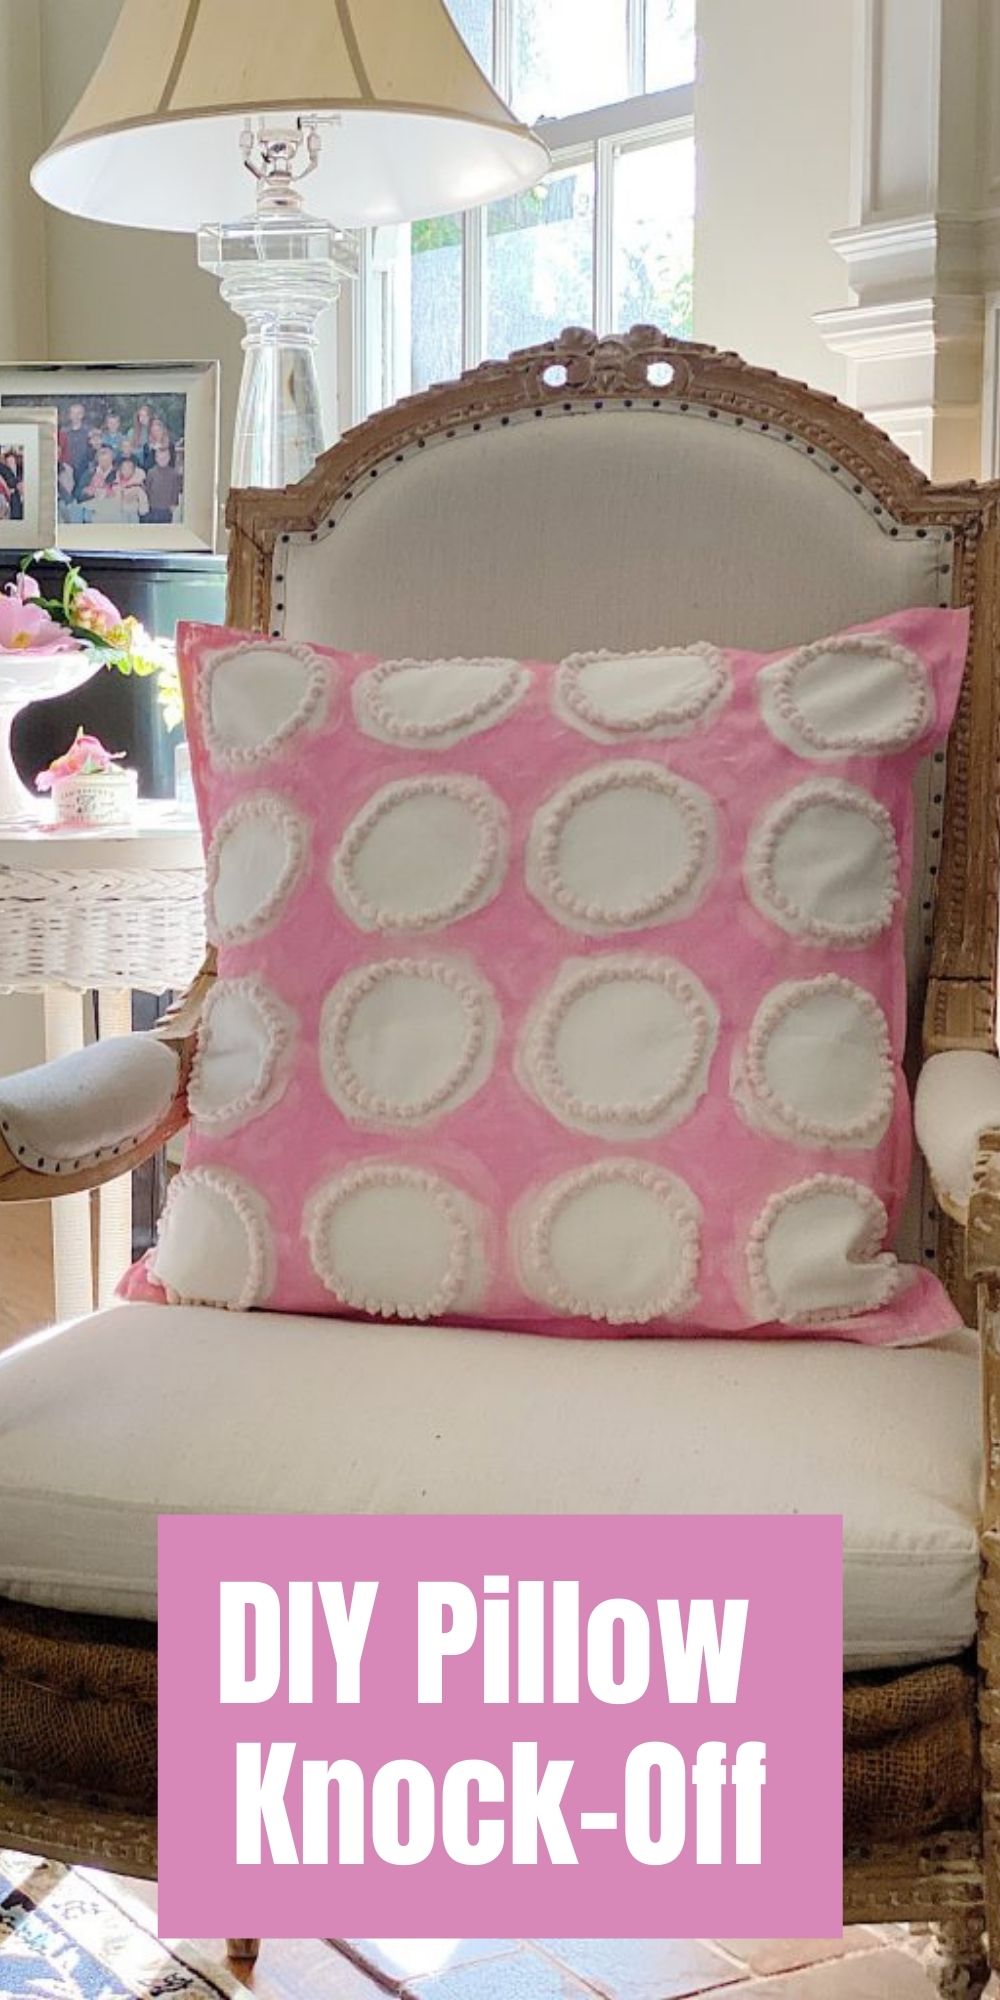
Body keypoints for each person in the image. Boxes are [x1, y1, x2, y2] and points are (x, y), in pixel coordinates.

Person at [81, 443, 122, 522]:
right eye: (101, 457)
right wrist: (86, 492)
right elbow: (78, 493)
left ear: (112, 458)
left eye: (107, 458)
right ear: (97, 459)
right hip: (93, 508)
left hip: (112, 509)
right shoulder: (89, 473)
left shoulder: (118, 473)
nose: (104, 461)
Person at [144, 442, 183, 523]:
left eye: (165, 458)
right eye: (160, 458)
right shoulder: (151, 472)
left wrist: (174, 503)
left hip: (167, 508)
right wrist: (148, 503)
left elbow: (175, 490)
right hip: (153, 507)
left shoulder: (174, 474)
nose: (162, 460)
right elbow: (147, 489)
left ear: (169, 458)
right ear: (156, 458)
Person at [58, 400, 91, 491]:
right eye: (73, 413)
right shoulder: (64, 432)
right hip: (67, 467)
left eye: (78, 413)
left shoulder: (89, 432)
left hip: (84, 468)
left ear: (82, 415)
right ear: (70, 415)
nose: (75, 416)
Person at [116, 447, 149, 521]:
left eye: (129, 469)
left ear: (133, 471)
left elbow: (143, 497)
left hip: (134, 511)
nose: (126, 471)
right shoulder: (118, 482)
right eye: (124, 469)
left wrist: (143, 510)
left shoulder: (136, 484)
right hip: (122, 511)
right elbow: (117, 497)